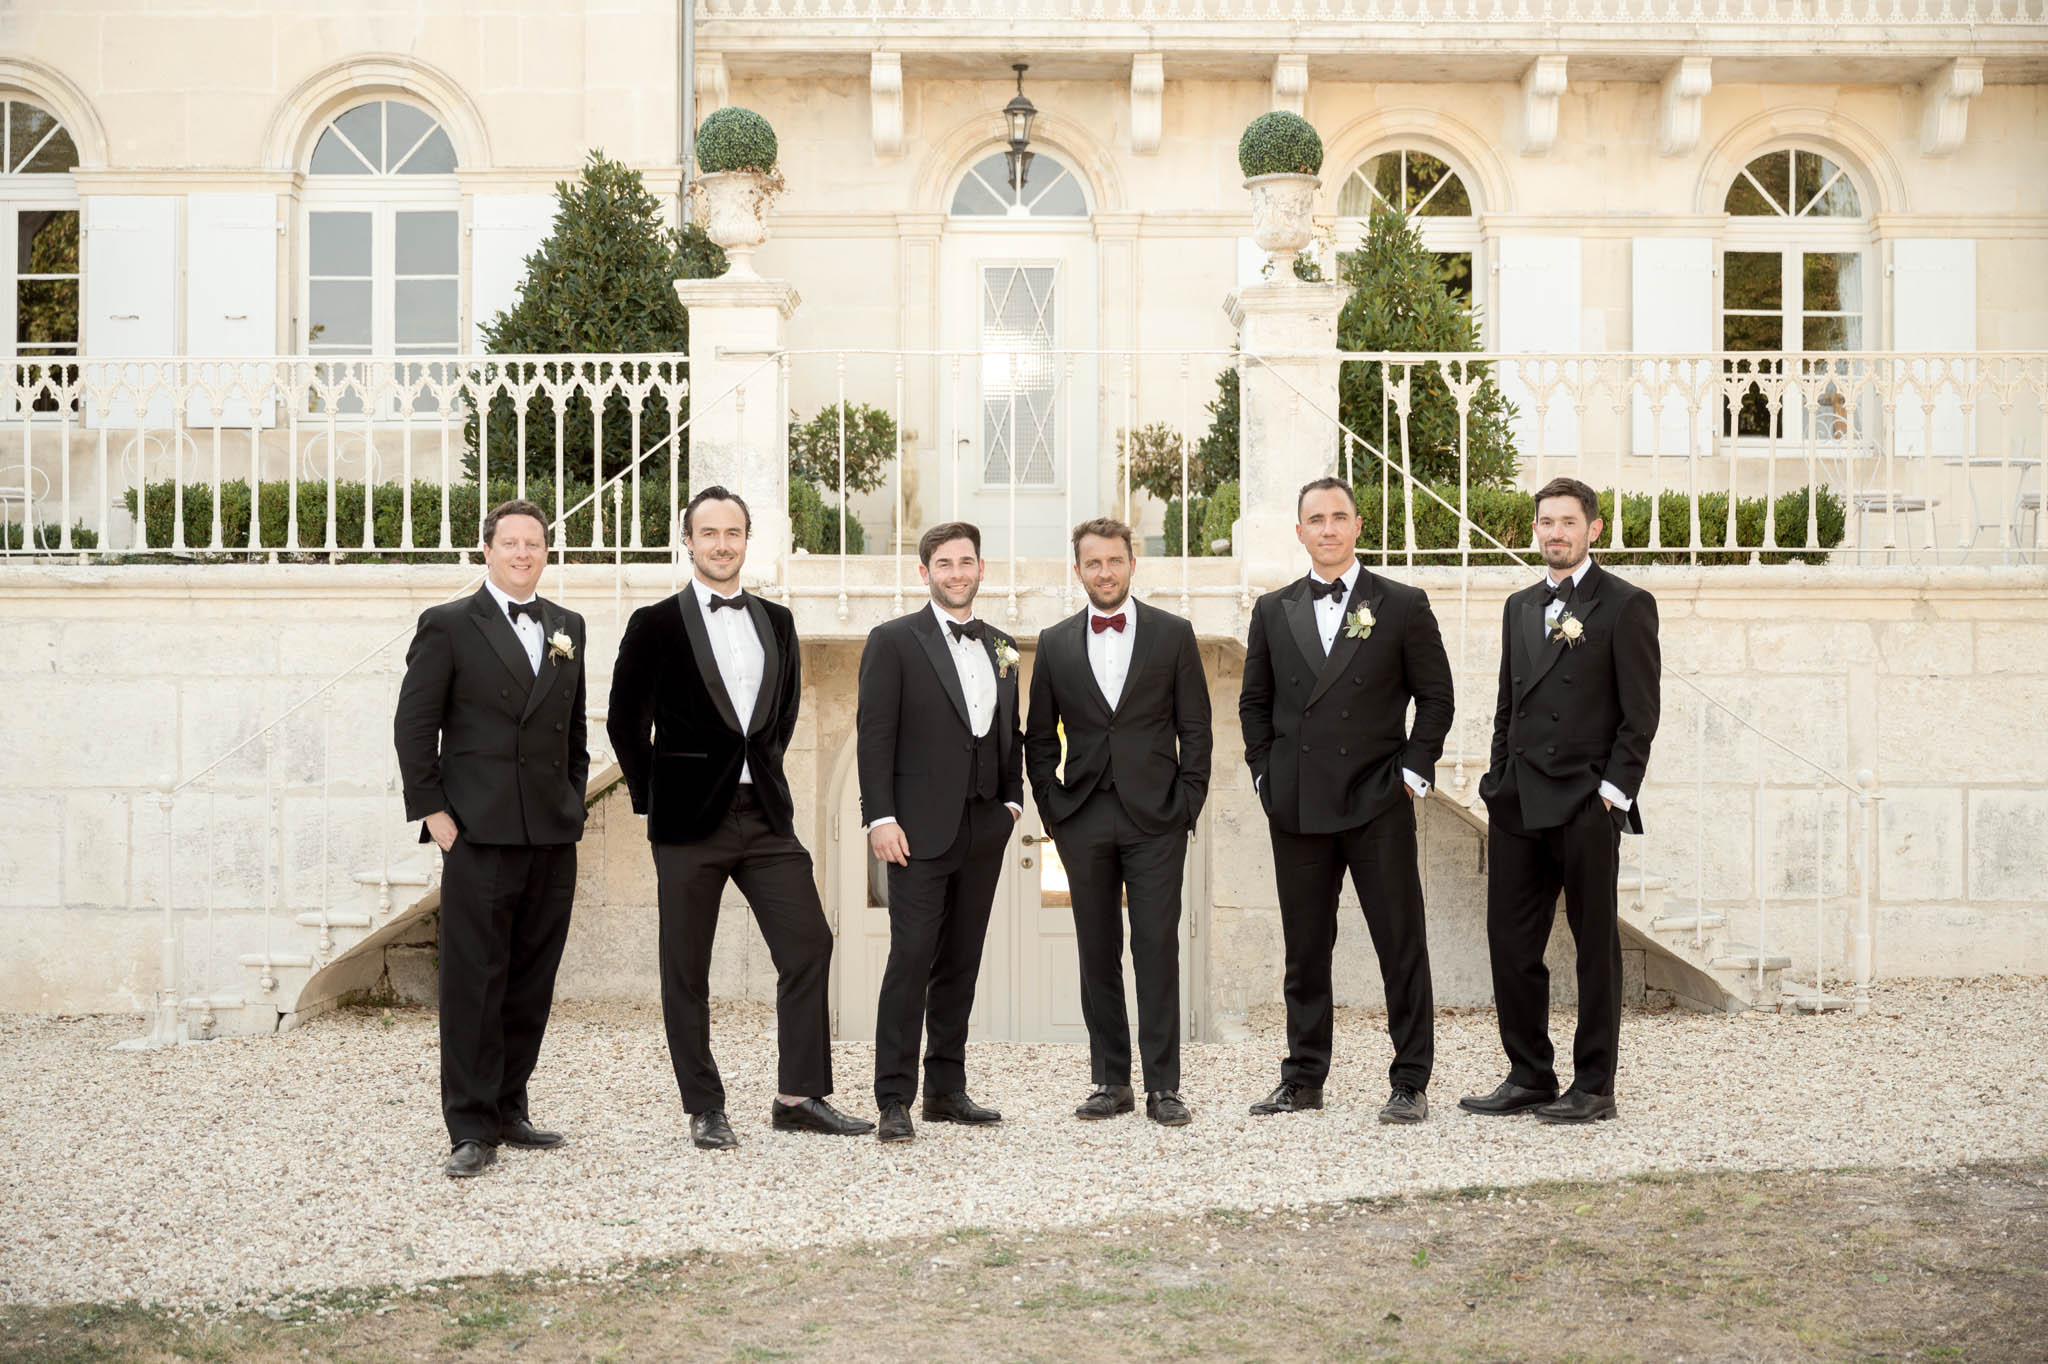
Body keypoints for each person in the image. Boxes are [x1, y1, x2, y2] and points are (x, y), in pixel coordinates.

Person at [607, 486, 873, 1150]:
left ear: (747, 541)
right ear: (687, 540)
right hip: (689, 821)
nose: (722, 543)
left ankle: (798, 1095)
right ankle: (704, 1104)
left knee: (808, 942)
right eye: (709, 532)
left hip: (764, 818)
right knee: (685, 967)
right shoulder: (654, 624)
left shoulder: (777, 622)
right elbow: (624, 722)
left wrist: (762, 773)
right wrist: (656, 796)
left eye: (734, 533)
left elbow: (777, 718)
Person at [1238, 477, 1454, 1125]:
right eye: (1315, 519)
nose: (1327, 529)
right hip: (1297, 807)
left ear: (1359, 526)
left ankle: (1410, 1081)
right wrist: (1262, 776)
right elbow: (1254, 704)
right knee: (1306, 950)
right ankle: (1303, 1077)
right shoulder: (1271, 610)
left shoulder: (1403, 604)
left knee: (1400, 944)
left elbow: (1436, 698)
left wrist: (1414, 774)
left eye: (1339, 517)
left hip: (1377, 799)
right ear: (1298, 532)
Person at [393, 499, 587, 1178]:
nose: (523, 554)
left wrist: (573, 803)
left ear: (545, 551)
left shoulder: (568, 626)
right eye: (511, 543)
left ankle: (510, 1106)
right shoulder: (448, 625)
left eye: (534, 544)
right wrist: (432, 813)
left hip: (549, 834)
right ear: (488, 551)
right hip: (477, 831)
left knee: (532, 977)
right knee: (475, 981)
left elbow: (574, 735)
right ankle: (470, 1126)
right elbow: (414, 726)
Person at [1463, 476, 1661, 1125]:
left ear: (1593, 529)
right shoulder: (1519, 606)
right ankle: (1528, 1074)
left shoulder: (1626, 604)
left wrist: (1611, 794)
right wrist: (1497, 781)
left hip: (1584, 802)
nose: (1556, 533)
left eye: (1568, 522)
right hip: (1519, 801)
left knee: (1594, 945)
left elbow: (1641, 716)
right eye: (1546, 522)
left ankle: (1595, 1086)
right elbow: (1505, 706)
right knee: (1510, 943)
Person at [1025, 517, 1212, 1127]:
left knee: (1156, 946)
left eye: (1114, 561)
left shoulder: (1173, 634)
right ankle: (1110, 1080)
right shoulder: (1053, 643)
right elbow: (1038, 740)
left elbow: (1197, 730)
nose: (1104, 572)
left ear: (1133, 563)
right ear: (1076, 569)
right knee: (1095, 951)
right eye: (1093, 563)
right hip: (1082, 817)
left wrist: (1187, 805)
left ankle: (1164, 1087)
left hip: (1157, 816)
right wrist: (1054, 810)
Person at [857, 522, 1023, 1144]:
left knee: (962, 961)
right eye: (944, 564)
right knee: (910, 959)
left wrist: (1011, 802)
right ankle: (894, 1098)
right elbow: (875, 734)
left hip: (984, 827)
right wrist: (880, 817)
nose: (957, 572)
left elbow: (1012, 732)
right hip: (914, 833)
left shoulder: (1003, 646)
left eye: (967, 562)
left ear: (982, 568)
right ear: (924, 573)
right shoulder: (894, 641)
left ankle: (946, 1091)